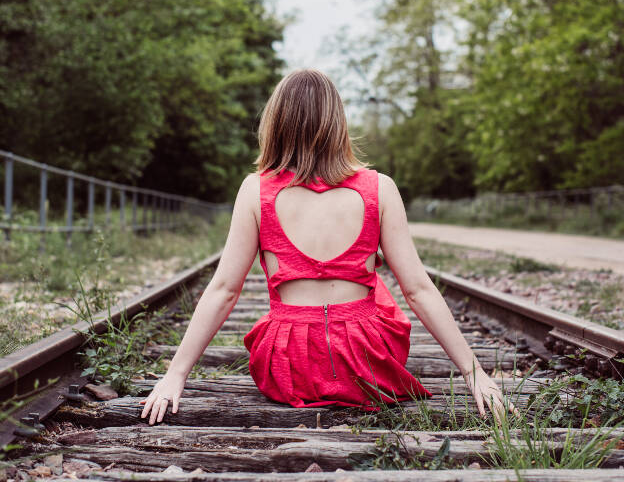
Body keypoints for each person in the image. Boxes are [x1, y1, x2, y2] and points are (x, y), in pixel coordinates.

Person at [140, 68, 516, 424]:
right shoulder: (378, 188)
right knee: (377, 285)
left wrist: (175, 375)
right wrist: (474, 372)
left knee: (331, 293)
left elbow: (224, 290)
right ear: (338, 123)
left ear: (276, 123)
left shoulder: (256, 190)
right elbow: (417, 290)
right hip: (365, 364)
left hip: (289, 368)